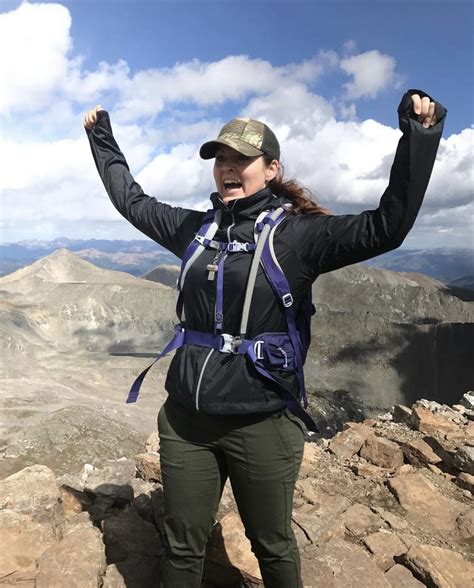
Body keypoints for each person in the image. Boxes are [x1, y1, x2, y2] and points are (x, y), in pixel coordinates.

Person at [84, 90, 445, 587]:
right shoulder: (196, 230)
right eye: (220, 160)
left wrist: (419, 138)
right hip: (187, 421)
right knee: (182, 545)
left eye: (241, 159)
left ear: (272, 168)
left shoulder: (298, 236)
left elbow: (388, 226)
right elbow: (133, 201)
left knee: (272, 546)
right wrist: (101, 138)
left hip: (262, 422)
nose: (227, 168)